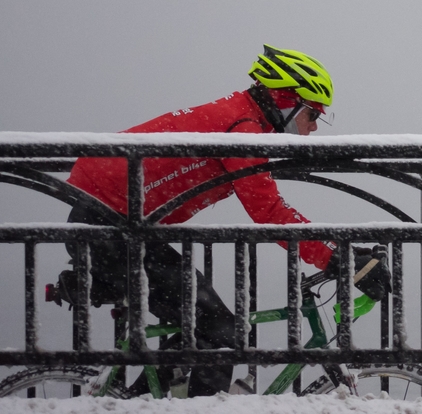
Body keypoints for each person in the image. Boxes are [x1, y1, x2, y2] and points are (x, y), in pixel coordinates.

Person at [64, 45, 386, 396]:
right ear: (286, 100)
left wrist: (340, 253)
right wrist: (339, 258)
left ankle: (144, 400)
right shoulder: (242, 128)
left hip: (115, 224)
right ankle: (185, 404)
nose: (313, 126)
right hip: (109, 227)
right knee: (221, 331)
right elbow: (269, 211)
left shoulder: (242, 119)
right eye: (312, 113)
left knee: (206, 325)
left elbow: (267, 200)